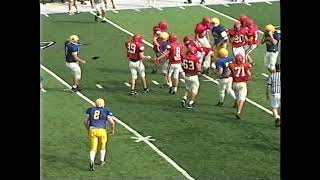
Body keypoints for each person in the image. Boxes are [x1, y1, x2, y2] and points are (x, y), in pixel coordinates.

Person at [84, 98, 116, 171]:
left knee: (93, 147)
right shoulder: (106, 111)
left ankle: (92, 161)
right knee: (103, 145)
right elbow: (112, 122)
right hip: (102, 130)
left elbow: (85, 121)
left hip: (93, 130)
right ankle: (102, 160)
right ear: (103, 104)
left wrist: (88, 129)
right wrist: (113, 130)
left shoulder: (90, 110)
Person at [228, 54, 252, 120]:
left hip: (234, 84)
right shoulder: (245, 65)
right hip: (242, 83)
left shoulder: (231, 65)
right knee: (242, 98)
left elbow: (229, 73)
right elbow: (249, 74)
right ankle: (238, 112)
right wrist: (248, 78)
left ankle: (237, 109)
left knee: (238, 98)